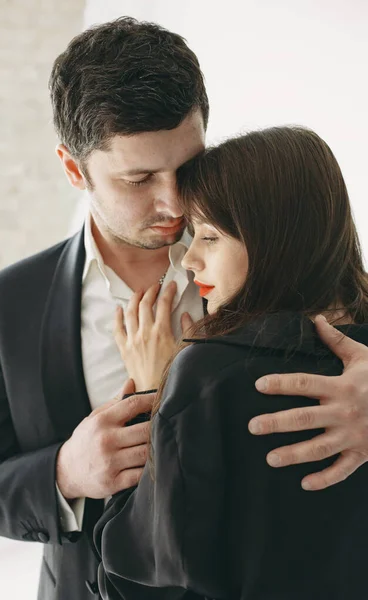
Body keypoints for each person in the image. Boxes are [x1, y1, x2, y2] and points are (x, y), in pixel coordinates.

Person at [0, 17, 367, 600]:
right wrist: (64, 474)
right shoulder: (14, 299)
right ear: (75, 169)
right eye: (139, 178)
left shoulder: (268, 249)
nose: (173, 199)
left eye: (185, 165)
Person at [96, 126, 368, 599]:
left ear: (274, 239)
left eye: (209, 237)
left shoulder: (207, 373)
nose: (190, 261)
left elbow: (139, 580)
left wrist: (152, 391)